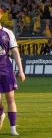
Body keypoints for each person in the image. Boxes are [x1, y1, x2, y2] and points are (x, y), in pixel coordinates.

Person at [0, 8, 25, 136]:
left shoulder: (8, 33)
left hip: (6, 69)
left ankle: (12, 128)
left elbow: (15, 51)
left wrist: (21, 70)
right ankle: (1, 113)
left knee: (10, 98)